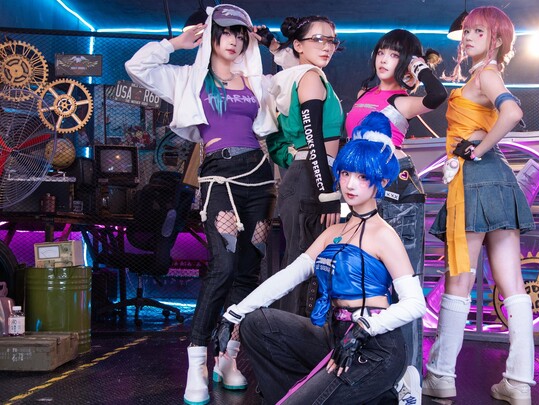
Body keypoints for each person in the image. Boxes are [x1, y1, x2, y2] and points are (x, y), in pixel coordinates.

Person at [215, 112, 426, 404]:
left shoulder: (383, 235)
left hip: (374, 346)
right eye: (346, 173)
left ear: (381, 180)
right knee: (257, 323)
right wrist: (235, 313)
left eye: (363, 177)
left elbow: (415, 303)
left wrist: (366, 328)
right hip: (334, 336)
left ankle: (386, 392)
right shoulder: (333, 233)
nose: (350, 184)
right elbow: (289, 276)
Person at [125, 5, 277, 405]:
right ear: (210, 34)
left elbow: (296, 79)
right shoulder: (187, 78)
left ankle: (228, 357)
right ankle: (197, 361)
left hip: (261, 178)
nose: (234, 40)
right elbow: (136, 66)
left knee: (248, 270)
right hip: (219, 177)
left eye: (240, 34)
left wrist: (275, 47)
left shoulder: (256, 79)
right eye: (226, 32)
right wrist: (175, 43)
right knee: (223, 265)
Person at [423, 6, 536, 405]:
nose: (468, 36)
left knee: (459, 279)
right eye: (467, 30)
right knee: (513, 284)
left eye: (478, 31)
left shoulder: (486, 73)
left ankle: (441, 376)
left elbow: (513, 111)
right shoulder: (481, 74)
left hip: (474, 179)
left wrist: (477, 149)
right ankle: (519, 381)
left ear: (497, 40)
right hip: (498, 181)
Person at [344, 26, 447, 390]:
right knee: (369, 281)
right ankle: (378, 374)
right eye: (381, 52)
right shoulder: (364, 94)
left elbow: (438, 95)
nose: (384, 59)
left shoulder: (402, 100)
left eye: (394, 54)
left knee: (406, 286)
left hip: (397, 190)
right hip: (363, 192)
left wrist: (418, 66)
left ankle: (409, 378)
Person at [265, 15, 344, 317]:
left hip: (309, 175)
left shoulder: (299, 75)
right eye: (318, 39)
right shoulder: (310, 77)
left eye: (332, 40)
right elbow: (314, 141)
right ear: (298, 45)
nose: (327, 47)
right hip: (312, 177)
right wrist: (328, 195)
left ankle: (294, 335)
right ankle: (288, 337)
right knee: (302, 265)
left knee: (305, 263)